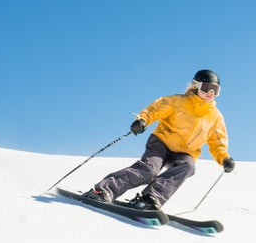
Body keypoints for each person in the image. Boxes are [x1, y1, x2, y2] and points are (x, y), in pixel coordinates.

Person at [81, 69, 235, 210]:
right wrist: (143, 120)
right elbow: (156, 109)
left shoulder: (215, 117)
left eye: (216, 90)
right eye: (207, 88)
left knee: (188, 166)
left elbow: (217, 142)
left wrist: (224, 158)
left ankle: (150, 198)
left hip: (185, 153)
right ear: (196, 86)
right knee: (148, 170)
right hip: (161, 142)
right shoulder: (178, 101)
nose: (211, 93)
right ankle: (103, 190)